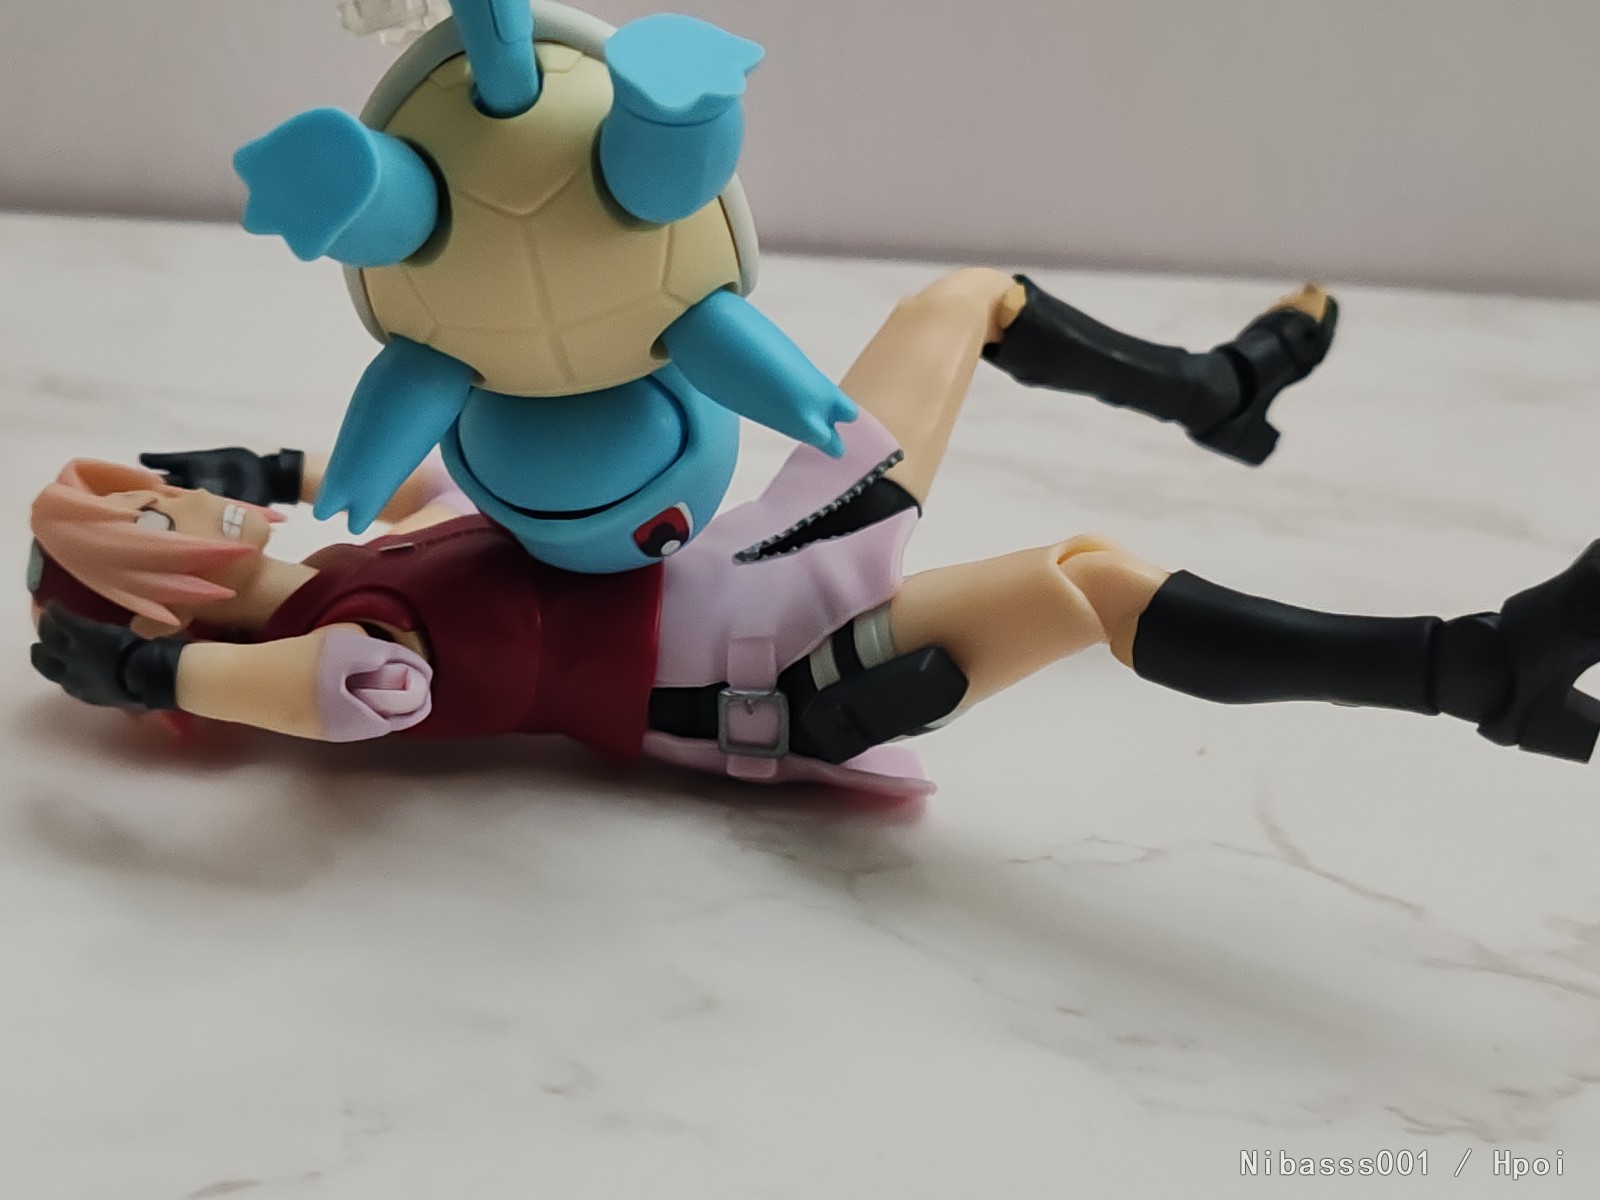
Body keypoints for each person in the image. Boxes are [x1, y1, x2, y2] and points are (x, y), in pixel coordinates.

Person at [29, 269, 1598, 796]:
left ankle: (1210, 388)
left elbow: (427, 480)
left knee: (961, 301)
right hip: (766, 674)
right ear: (157, 598)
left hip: (757, 553)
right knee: (1086, 580)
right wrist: (149, 681)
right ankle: (1469, 670)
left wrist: (266, 463)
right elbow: (339, 700)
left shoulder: (350, 571)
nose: (190, 506)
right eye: (158, 519)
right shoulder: (343, 645)